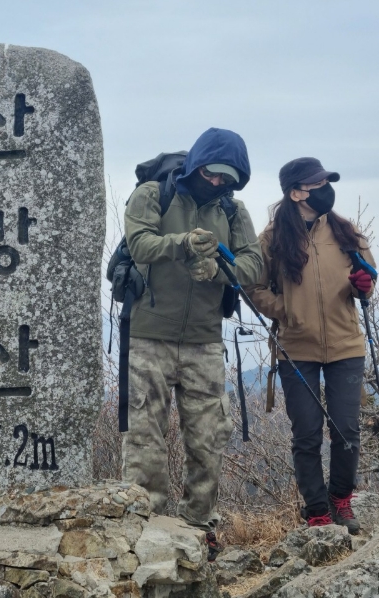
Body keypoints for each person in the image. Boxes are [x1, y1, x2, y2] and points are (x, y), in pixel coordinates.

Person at [122, 127, 262, 557]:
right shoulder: (153, 194)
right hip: (148, 335)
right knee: (144, 439)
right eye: (211, 172)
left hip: (205, 339)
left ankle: (200, 528)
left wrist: (220, 271)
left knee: (208, 440)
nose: (216, 181)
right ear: (196, 164)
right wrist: (182, 244)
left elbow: (254, 264)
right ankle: (144, 528)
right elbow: (139, 243)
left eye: (226, 177)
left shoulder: (233, 211)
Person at [247, 157, 375, 534]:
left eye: (326, 183)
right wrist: (287, 311)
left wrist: (363, 285)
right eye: (317, 185)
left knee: (347, 430)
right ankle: (317, 510)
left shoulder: (345, 230)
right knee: (306, 433)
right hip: (296, 348)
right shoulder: (272, 238)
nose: (325, 190)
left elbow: (366, 278)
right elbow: (254, 287)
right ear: (296, 193)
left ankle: (341, 500)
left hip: (346, 344)